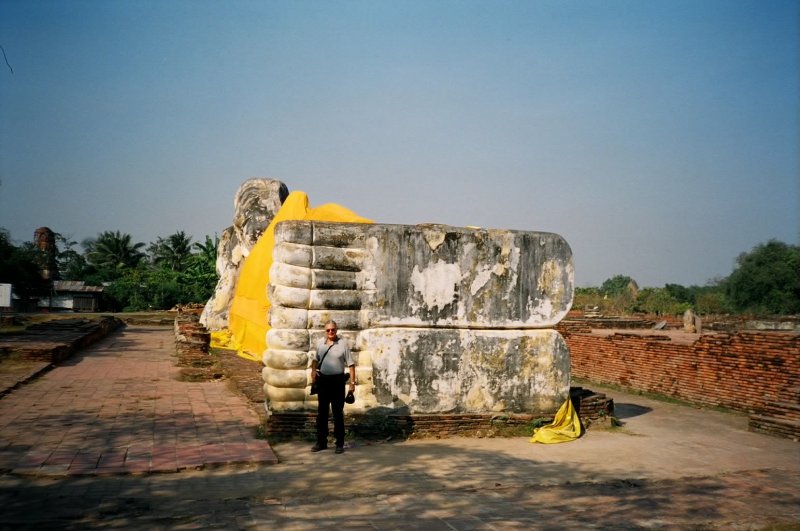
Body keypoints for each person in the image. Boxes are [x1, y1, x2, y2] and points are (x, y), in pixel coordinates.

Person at [310, 320, 355, 454]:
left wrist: (352, 384)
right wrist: (313, 372)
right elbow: (315, 360)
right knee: (322, 413)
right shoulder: (320, 344)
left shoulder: (343, 344)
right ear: (325, 331)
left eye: (333, 330)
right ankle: (321, 442)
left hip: (337, 382)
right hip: (323, 381)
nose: (330, 332)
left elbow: (351, 365)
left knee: (337, 414)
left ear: (336, 330)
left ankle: (339, 443)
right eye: (328, 330)